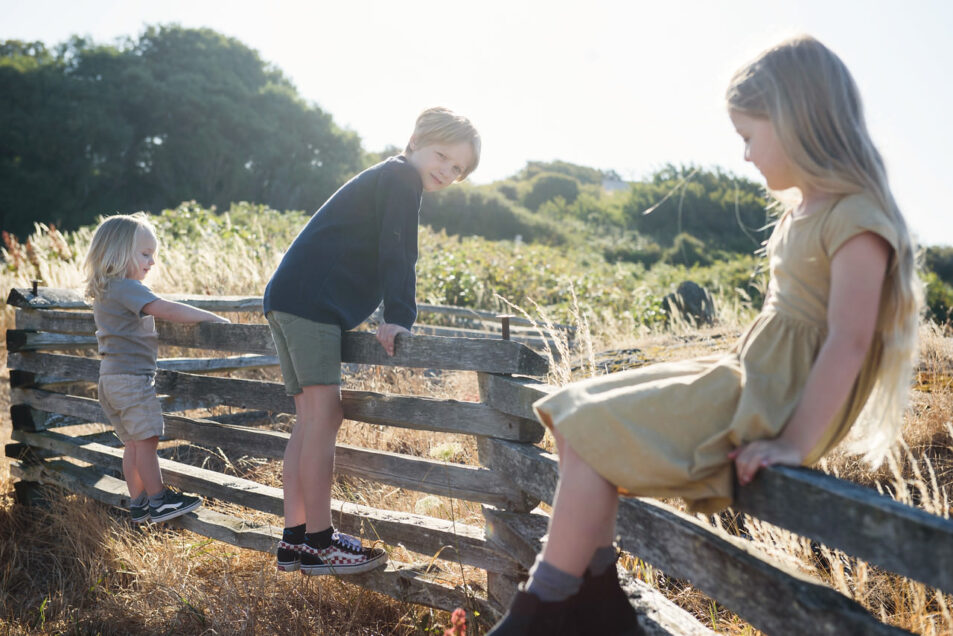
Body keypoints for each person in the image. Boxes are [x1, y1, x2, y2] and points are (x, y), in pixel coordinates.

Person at [488, 35, 921, 635]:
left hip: (773, 400)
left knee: (588, 434)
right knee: (570, 410)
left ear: (797, 123)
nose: (744, 156)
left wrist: (794, 442)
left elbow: (849, 341)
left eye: (749, 136)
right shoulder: (809, 210)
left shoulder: (856, 218)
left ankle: (539, 611)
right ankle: (600, 601)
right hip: (750, 376)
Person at [263, 107, 481, 575]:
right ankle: (321, 543)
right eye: (442, 155)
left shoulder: (388, 175)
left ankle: (294, 540)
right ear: (416, 140)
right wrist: (399, 316)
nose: (446, 170)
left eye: (457, 168)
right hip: (311, 305)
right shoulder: (403, 177)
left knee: (307, 420)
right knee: (326, 414)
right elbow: (398, 249)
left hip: (289, 297)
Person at [84, 213, 230, 524]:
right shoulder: (126, 287)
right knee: (148, 442)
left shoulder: (106, 289)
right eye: (145, 254)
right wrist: (212, 318)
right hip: (131, 380)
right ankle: (159, 501)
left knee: (133, 445)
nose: (152, 262)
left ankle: (138, 504)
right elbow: (164, 307)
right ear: (119, 253)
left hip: (110, 379)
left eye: (154, 255)